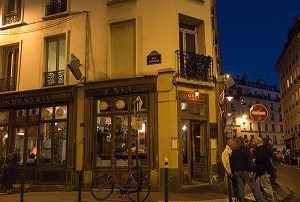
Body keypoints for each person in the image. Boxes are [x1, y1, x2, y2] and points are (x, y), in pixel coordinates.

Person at [231, 137, 265, 202]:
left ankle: (241, 200)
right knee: (253, 186)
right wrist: (251, 170)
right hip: (245, 170)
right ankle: (260, 200)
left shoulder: (234, 151)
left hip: (237, 171)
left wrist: (233, 170)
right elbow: (249, 161)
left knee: (240, 187)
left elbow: (232, 162)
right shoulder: (246, 150)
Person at [254, 137, 275, 202]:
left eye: (255, 140)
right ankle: (265, 198)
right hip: (263, 170)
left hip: (264, 170)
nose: (254, 141)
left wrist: (255, 160)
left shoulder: (262, 149)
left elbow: (262, 159)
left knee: (266, 186)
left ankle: (270, 199)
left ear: (258, 142)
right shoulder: (263, 148)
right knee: (263, 185)